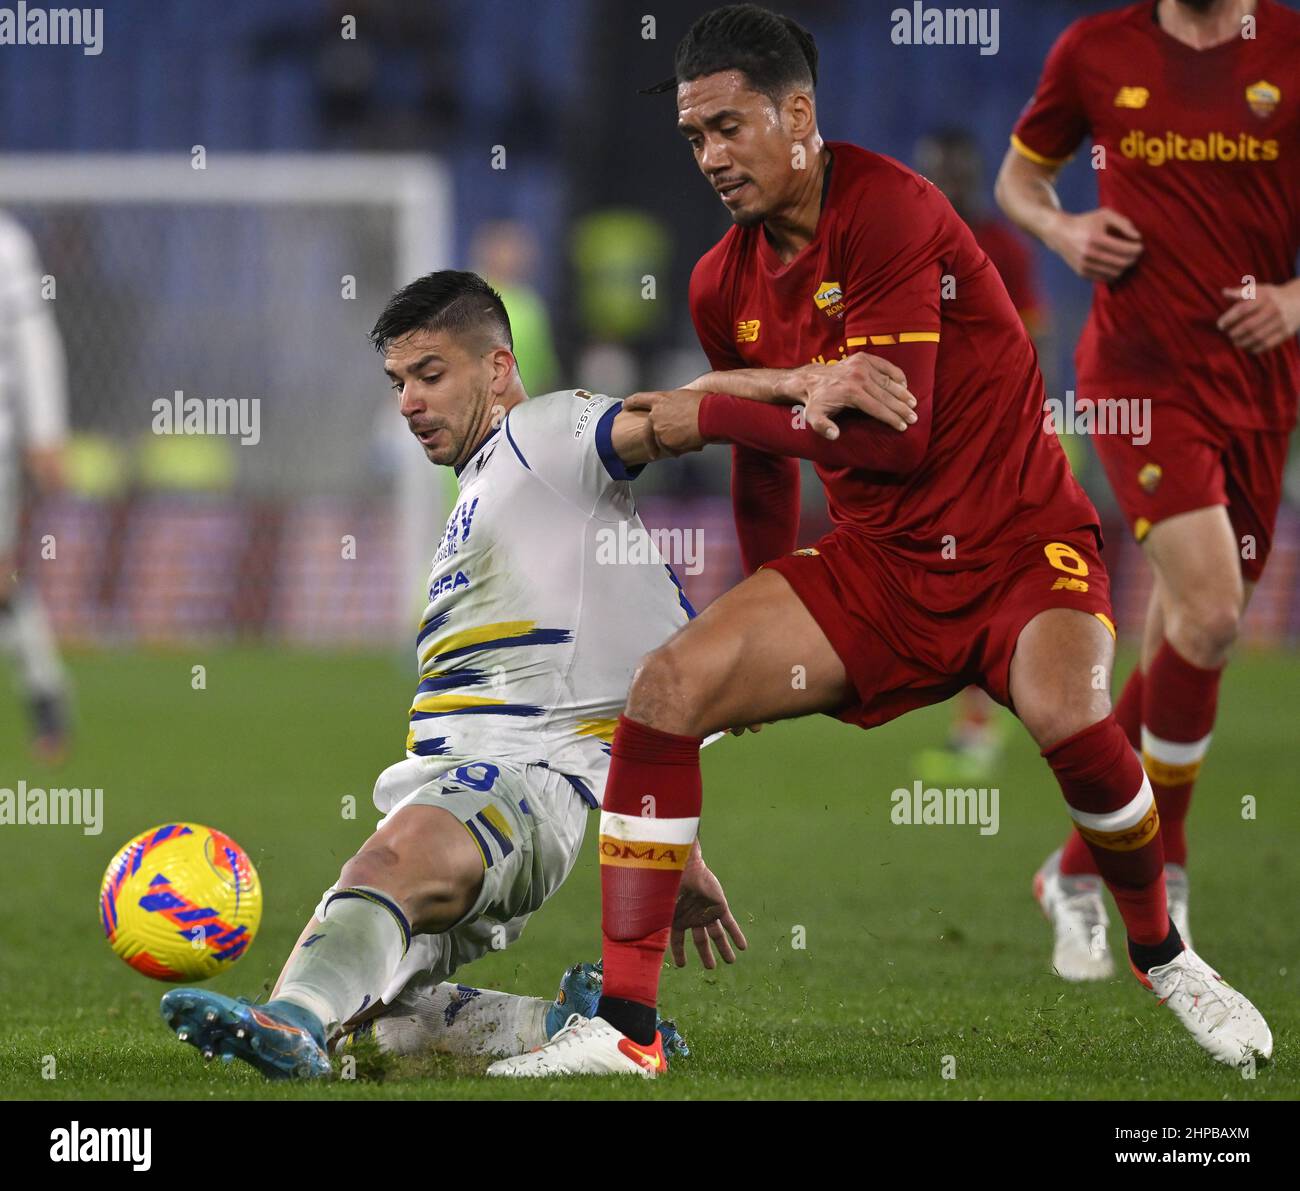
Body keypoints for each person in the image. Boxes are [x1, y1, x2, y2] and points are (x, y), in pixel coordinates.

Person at [488, 3, 1271, 1078]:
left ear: (798, 113)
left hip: (1016, 544)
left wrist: (711, 405)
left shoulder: (893, 211)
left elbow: (894, 446)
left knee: (1063, 711)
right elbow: (768, 466)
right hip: (877, 569)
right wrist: (767, 586)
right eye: (694, 139)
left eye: (730, 127)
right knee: (666, 691)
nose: (712, 157)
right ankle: (624, 1029)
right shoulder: (722, 280)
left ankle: (1165, 956)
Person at [158, 269, 883, 1076]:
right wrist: (674, 850)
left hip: (507, 789)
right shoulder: (492, 494)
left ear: (497, 368)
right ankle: (563, 1022)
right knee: (368, 1020)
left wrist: (798, 383)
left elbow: (670, 414)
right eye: (398, 382)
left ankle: (289, 1025)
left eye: (430, 375)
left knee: (374, 884)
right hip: (456, 794)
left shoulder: (543, 435)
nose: (408, 403)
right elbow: (603, 686)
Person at [995, 0, 1300, 979]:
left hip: (1257, 380)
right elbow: (1018, 179)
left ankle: (1076, 868)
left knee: (1186, 633)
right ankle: (1157, 866)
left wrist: (1294, 301)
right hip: (1137, 377)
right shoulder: (1097, 48)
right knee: (1211, 616)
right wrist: (1061, 229)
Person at [0, 211, 72, 763]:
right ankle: (46, 692)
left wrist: (44, 430)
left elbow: (32, 336)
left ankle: (46, 692)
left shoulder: (6, 242)